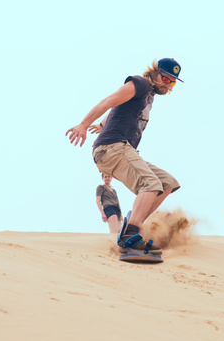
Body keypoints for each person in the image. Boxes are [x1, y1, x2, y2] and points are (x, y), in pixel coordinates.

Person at [66, 58, 183, 254]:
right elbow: (109, 101)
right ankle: (129, 235)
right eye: (165, 78)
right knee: (150, 184)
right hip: (111, 148)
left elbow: (116, 108)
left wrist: (102, 125)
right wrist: (84, 124)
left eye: (172, 82)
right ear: (154, 72)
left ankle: (133, 226)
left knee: (167, 183)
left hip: (123, 150)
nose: (167, 84)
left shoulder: (148, 96)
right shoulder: (140, 83)